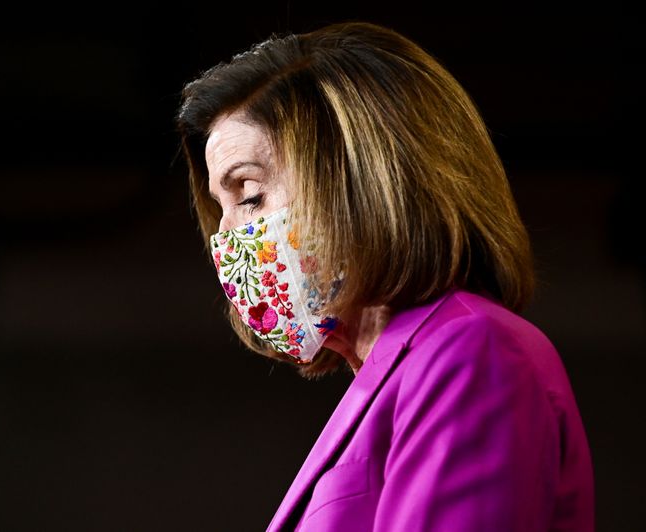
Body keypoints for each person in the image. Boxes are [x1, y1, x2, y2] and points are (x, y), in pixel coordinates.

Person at [176, 21, 594, 531]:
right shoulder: (390, 375)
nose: (226, 241)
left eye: (249, 194)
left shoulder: (471, 350)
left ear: (361, 181)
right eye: (221, 210)